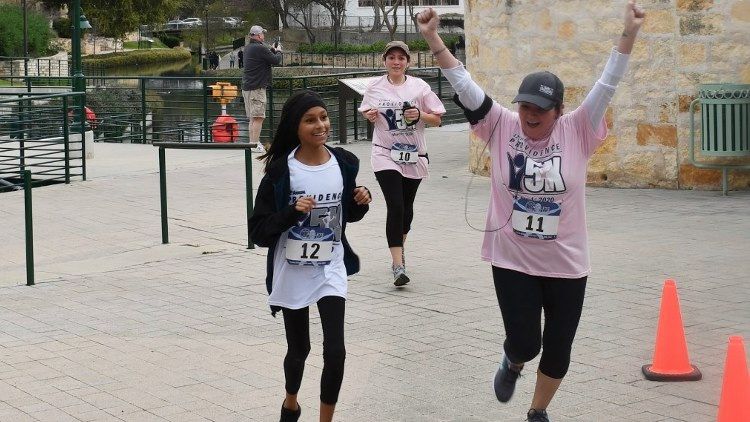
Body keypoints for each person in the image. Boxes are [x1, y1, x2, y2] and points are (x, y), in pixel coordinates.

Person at [417, 2, 645, 422]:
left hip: (567, 261)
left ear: (559, 110)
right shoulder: (499, 123)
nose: (529, 115)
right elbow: (464, 84)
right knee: (526, 343)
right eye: (524, 106)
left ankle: (537, 411)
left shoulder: (579, 128)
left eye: (540, 109)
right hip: (513, 258)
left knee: (558, 349)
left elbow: (609, 82)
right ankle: (513, 361)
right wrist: (433, 38)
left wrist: (628, 32)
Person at [248, 90, 372, 422]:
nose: (320, 125)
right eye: (310, 120)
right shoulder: (280, 173)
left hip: (330, 267)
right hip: (292, 270)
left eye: (324, 117)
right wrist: (290, 212)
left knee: (336, 352)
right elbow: (258, 232)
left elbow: (346, 214)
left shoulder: (343, 163)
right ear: (295, 126)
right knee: (299, 349)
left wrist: (360, 201)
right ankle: (291, 401)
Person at [358, 40, 445, 287]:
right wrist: (370, 115)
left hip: (413, 154)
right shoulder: (375, 86)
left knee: (406, 209)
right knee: (395, 206)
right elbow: (366, 110)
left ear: (408, 62)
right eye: (391, 58)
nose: (396, 62)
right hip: (384, 153)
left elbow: (437, 119)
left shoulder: (420, 87)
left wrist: (419, 114)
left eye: (401, 58)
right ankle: (398, 265)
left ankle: (400, 249)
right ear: (384, 60)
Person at [242, 25, 282, 153]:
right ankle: (254, 145)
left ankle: (252, 143)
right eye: (262, 34)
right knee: (259, 117)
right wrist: (279, 50)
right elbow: (276, 61)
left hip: (247, 87)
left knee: (253, 118)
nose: (264, 36)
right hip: (257, 88)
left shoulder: (248, 48)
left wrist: (270, 50)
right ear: (258, 36)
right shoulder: (260, 48)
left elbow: (264, 58)